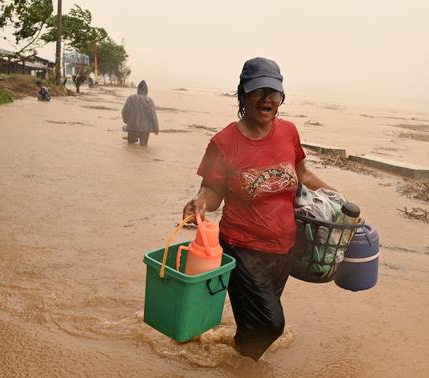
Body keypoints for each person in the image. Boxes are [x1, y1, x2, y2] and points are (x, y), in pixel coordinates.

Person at [182, 57, 335, 361]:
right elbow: (213, 192)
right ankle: (244, 376)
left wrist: (337, 196)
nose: (266, 98)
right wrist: (200, 202)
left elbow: (302, 174)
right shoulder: (223, 142)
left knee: (256, 324)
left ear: (280, 99)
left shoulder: (289, 132)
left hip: (283, 249)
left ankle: (237, 364)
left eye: (273, 92)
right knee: (271, 323)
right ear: (242, 94)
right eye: (258, 91)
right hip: (242, 249)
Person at [121, 80, 159, 146]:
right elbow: (153, 116)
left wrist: (127, 121)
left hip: (132, 127)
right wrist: (156, 128)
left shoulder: (131, 98)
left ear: (138, 89)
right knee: (143, 147)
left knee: (131, 147)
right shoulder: (149, 101)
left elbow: (124, 112)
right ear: (146, 90)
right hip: (145, 129)